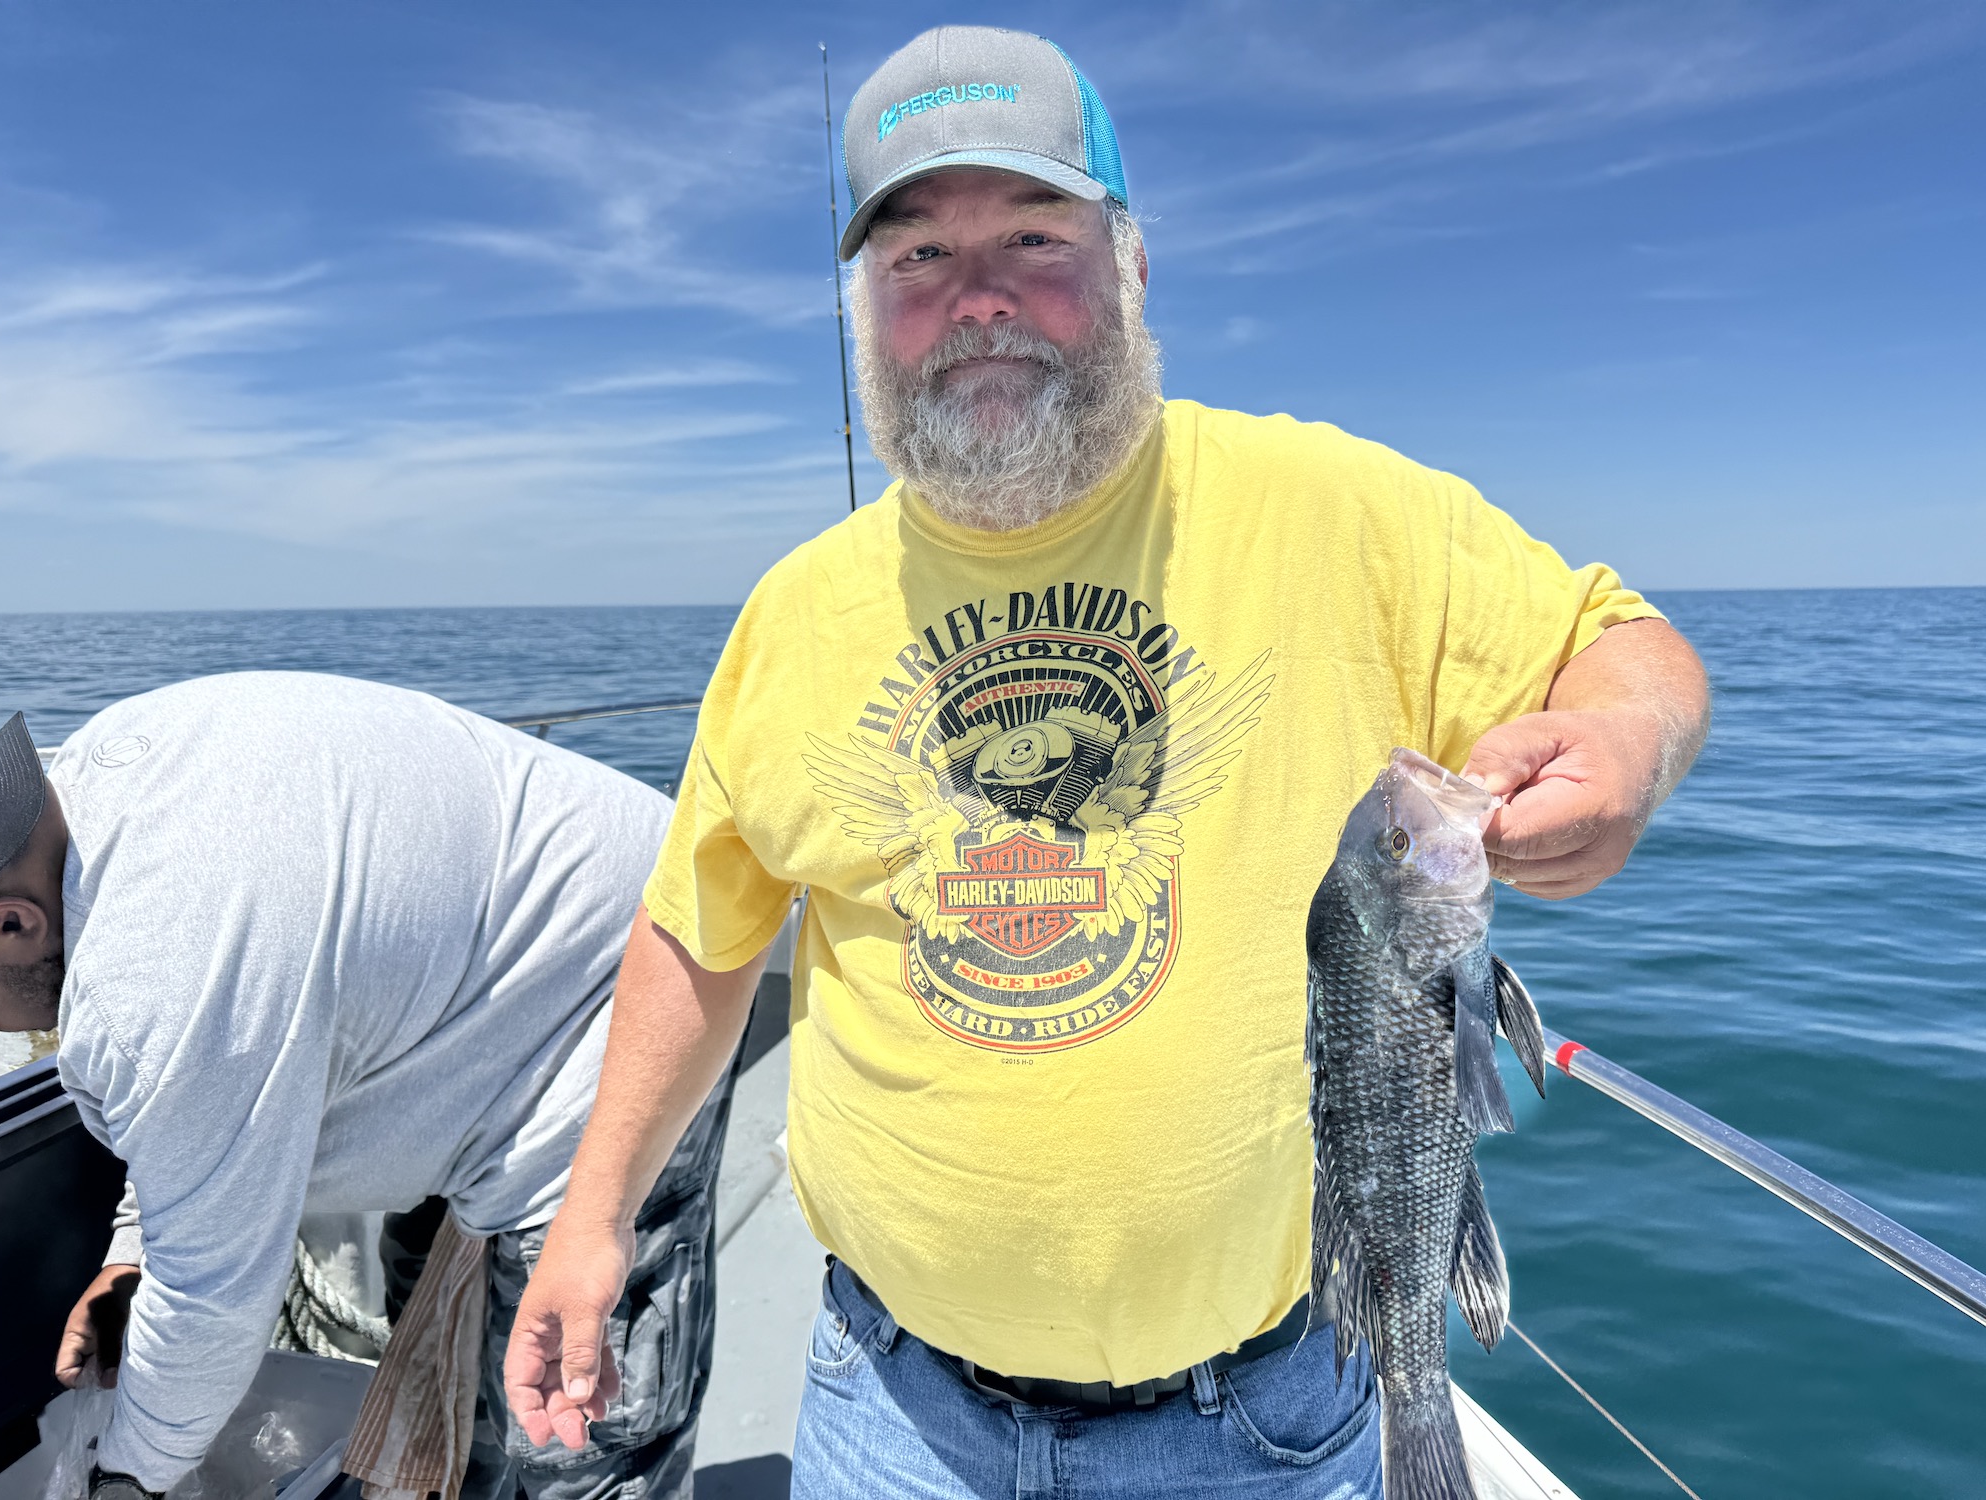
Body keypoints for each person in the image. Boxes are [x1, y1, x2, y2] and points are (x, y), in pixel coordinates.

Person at [506, 25, 1712, 1500]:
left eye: (1033, 235)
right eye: (917, 256)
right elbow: (701, 931)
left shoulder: (1332, 509)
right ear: (863, 310)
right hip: (890, 1407)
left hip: (1264, 1417)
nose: (978, 297)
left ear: (1133, 265)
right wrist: (591, 1219)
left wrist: (1625, 743)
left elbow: (1617, 641)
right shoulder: (793, 615)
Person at [0, 672, 738, 1500]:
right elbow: (190, 1088)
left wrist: (125, 1480)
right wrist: (133, 1252)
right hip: (465, 1002)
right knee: (440, 1384)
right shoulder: (84, 784)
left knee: (575, 1444)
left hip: (633, 990)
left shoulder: (158, 957)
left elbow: (211, 1299)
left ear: (9, 921)